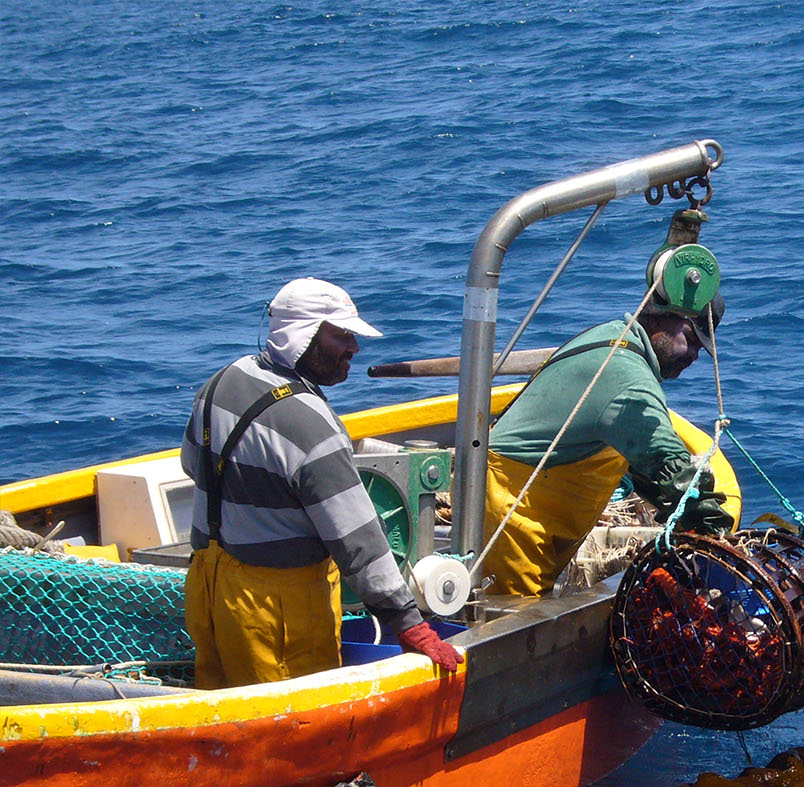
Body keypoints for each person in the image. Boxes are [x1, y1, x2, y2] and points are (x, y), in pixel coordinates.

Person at [180, 277, 461, 688]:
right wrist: (408, 623)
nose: (354, 348)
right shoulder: (313, 428)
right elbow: (358, 541)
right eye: (342, 335)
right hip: (277, 612)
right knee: (287, 731)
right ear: (303, 337)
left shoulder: (221, 382)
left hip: (209, 589)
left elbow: (194, 465)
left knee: (223, 717)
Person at [481, 290, 735, 596]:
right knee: (514, 623)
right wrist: (715, 537)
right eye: (691, 340)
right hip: (512, 514)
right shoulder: (630, 382)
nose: (694, 356)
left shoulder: (613, 337)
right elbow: (677, 473)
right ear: (660, 314)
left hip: (521, 505)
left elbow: (649, 466)